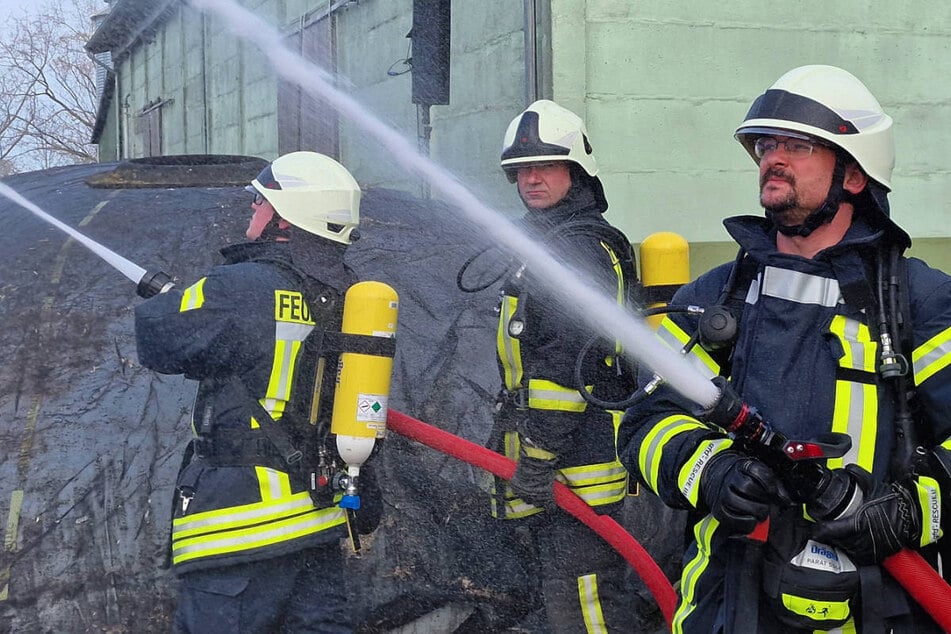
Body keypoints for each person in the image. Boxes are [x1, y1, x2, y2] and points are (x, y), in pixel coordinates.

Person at [619, 65, 951, 632]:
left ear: (853, 174)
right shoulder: (714, 297)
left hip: (878, 607)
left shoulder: (919, 302)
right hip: (727, 602)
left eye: (796, 146)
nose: (774, 158)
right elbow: (644, 423)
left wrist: (911, 510)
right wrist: (710, 469)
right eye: (766, 145)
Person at [135, 151, 381, 633]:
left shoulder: (242, 286)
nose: (252, 208)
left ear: (285, 219)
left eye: (260, 200)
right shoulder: (348, 294)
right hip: (316, 520)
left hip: (239, 525)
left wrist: (185, 301)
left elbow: (159, 343)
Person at [487, 99, 644, 632]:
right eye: (522, 170)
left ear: (575, 171)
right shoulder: (549, 242)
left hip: (576, 463)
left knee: (586, 600)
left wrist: (537, 455)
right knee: (566, 594)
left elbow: (568, 366)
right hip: (556, 460)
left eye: (546, 166)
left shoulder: (578, 248)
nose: (531, 179)